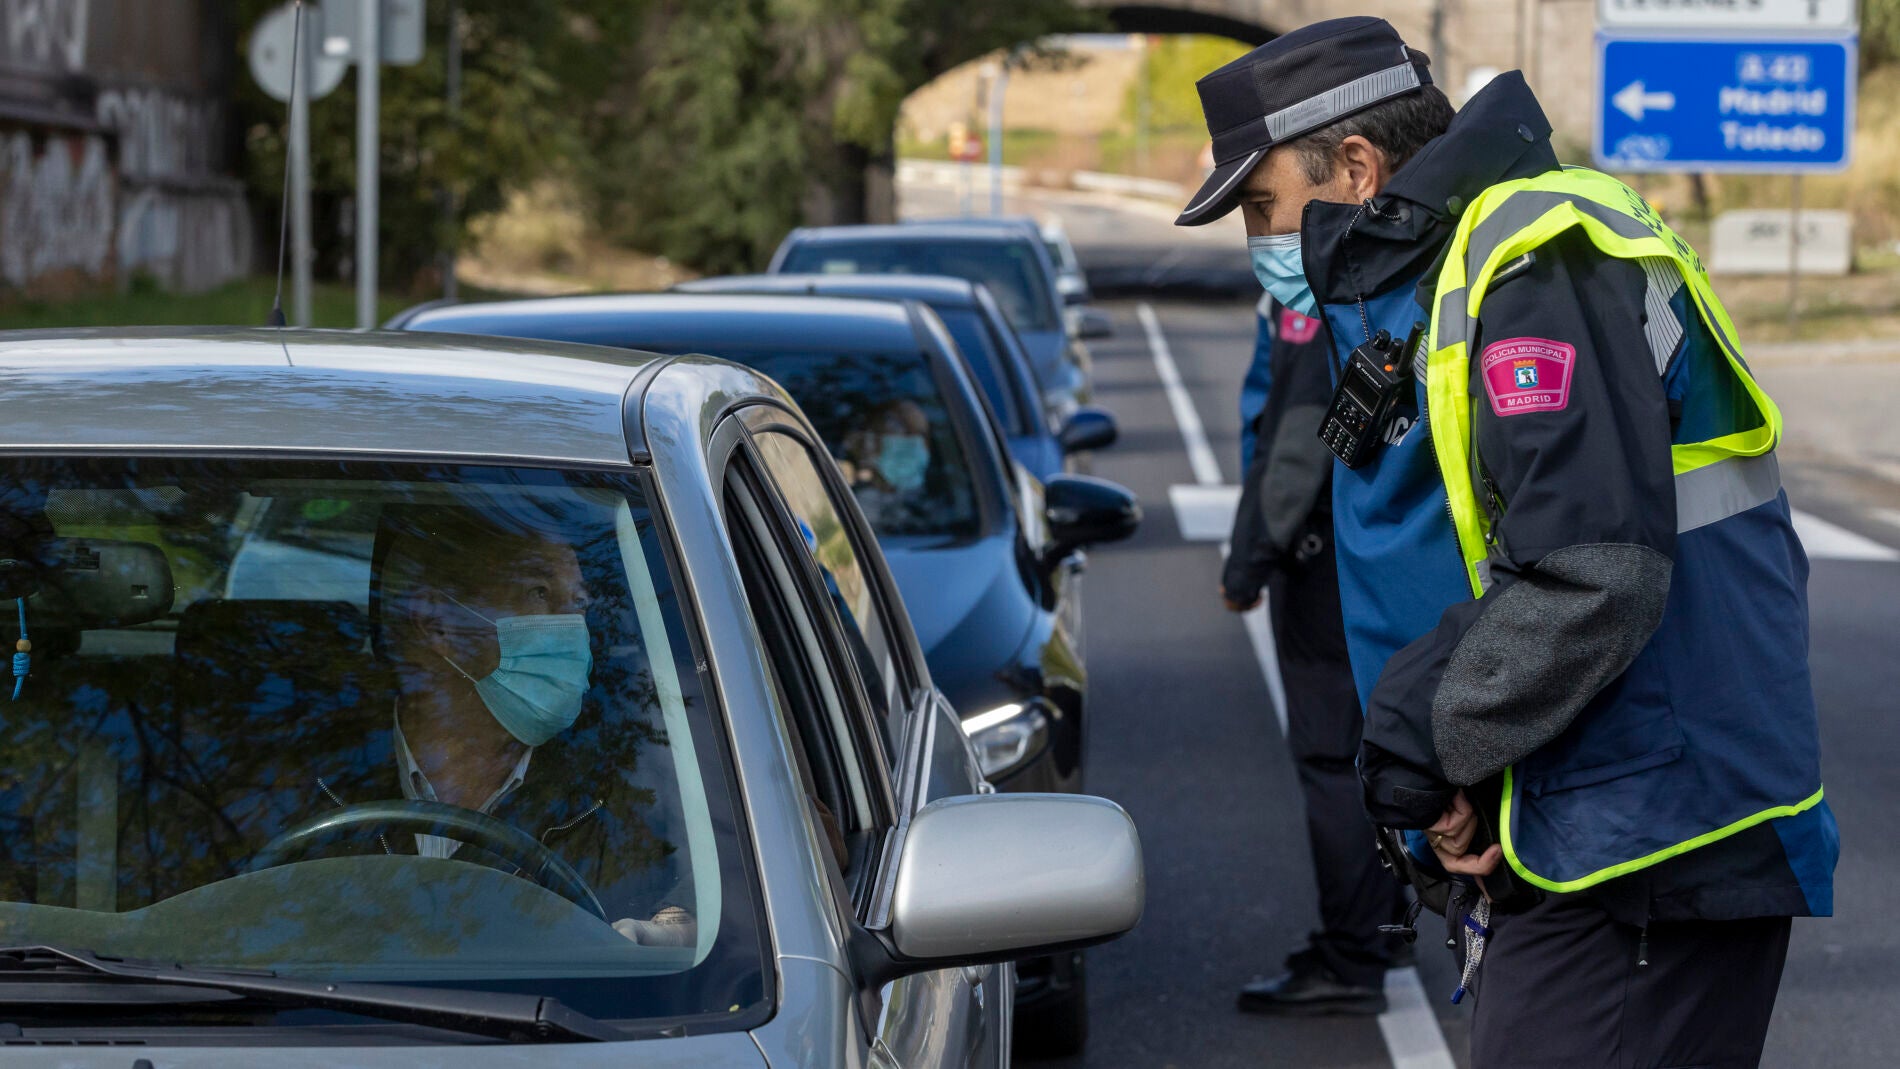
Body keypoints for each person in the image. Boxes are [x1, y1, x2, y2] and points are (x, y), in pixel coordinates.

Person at [1178, 17, 1836, 1066]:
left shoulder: (1534, 262)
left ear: (1357, 168)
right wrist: (1469, 775)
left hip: (1651, 834)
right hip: (1582, 814)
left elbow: (1592, 570)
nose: (1260, 239)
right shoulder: (1440, 273)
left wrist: (1425, 733)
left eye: (1263, 205)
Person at [366, 505, 694, 945]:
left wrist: (669, 930)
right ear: (437, 622)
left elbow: (711, 902)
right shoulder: (306, 777)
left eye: (578, 603)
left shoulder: (621, 783)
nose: (572, 627)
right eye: (539, 592)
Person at [1224, 293, 1408, 1015]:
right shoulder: (1388, 277)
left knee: (1335, 757)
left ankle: (1352, 958)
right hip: (1380, 549)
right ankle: (1386, 927)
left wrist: (1247, 563)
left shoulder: (1317, 290)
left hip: (1322, 558)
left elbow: (1298, 444)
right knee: (1383, 741)